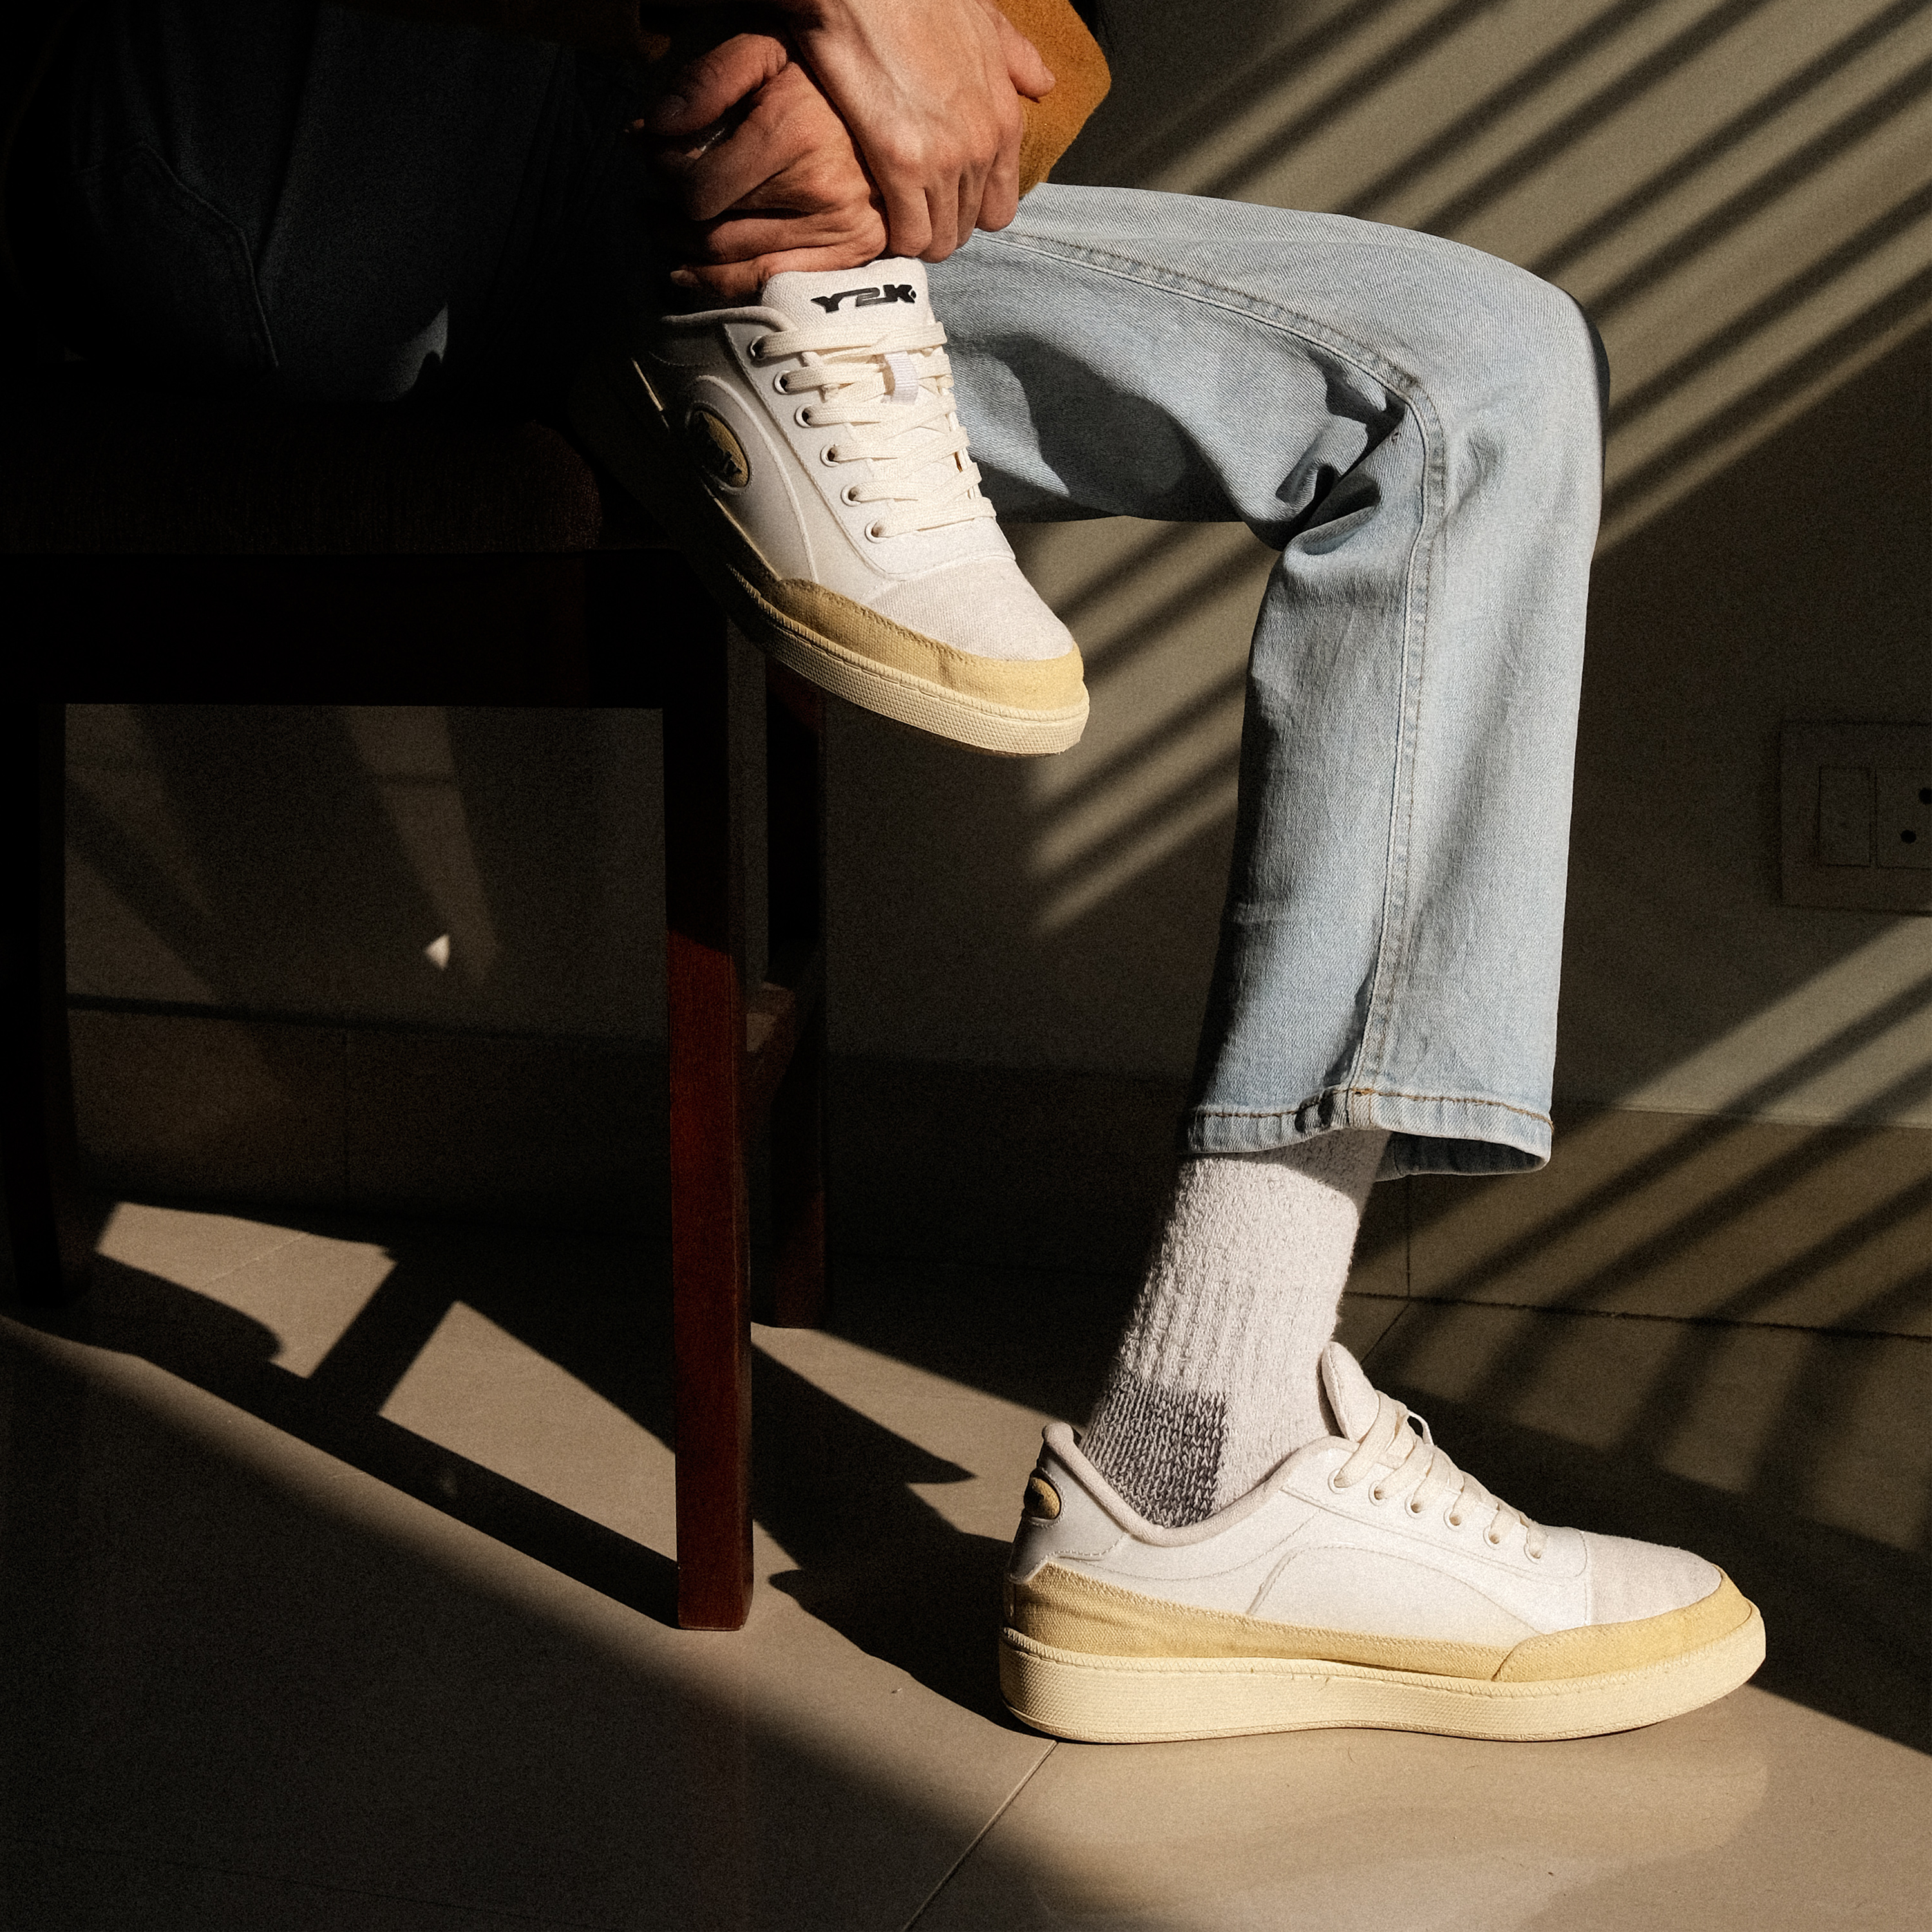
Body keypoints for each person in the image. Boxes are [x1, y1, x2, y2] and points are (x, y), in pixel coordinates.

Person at [1, 0, 1763, 1743]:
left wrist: (837, 101)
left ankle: (1216, 1434)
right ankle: (1214, 1463)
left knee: (1472, 370)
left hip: (635, 189)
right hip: (242, 115)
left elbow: (1013, 75)